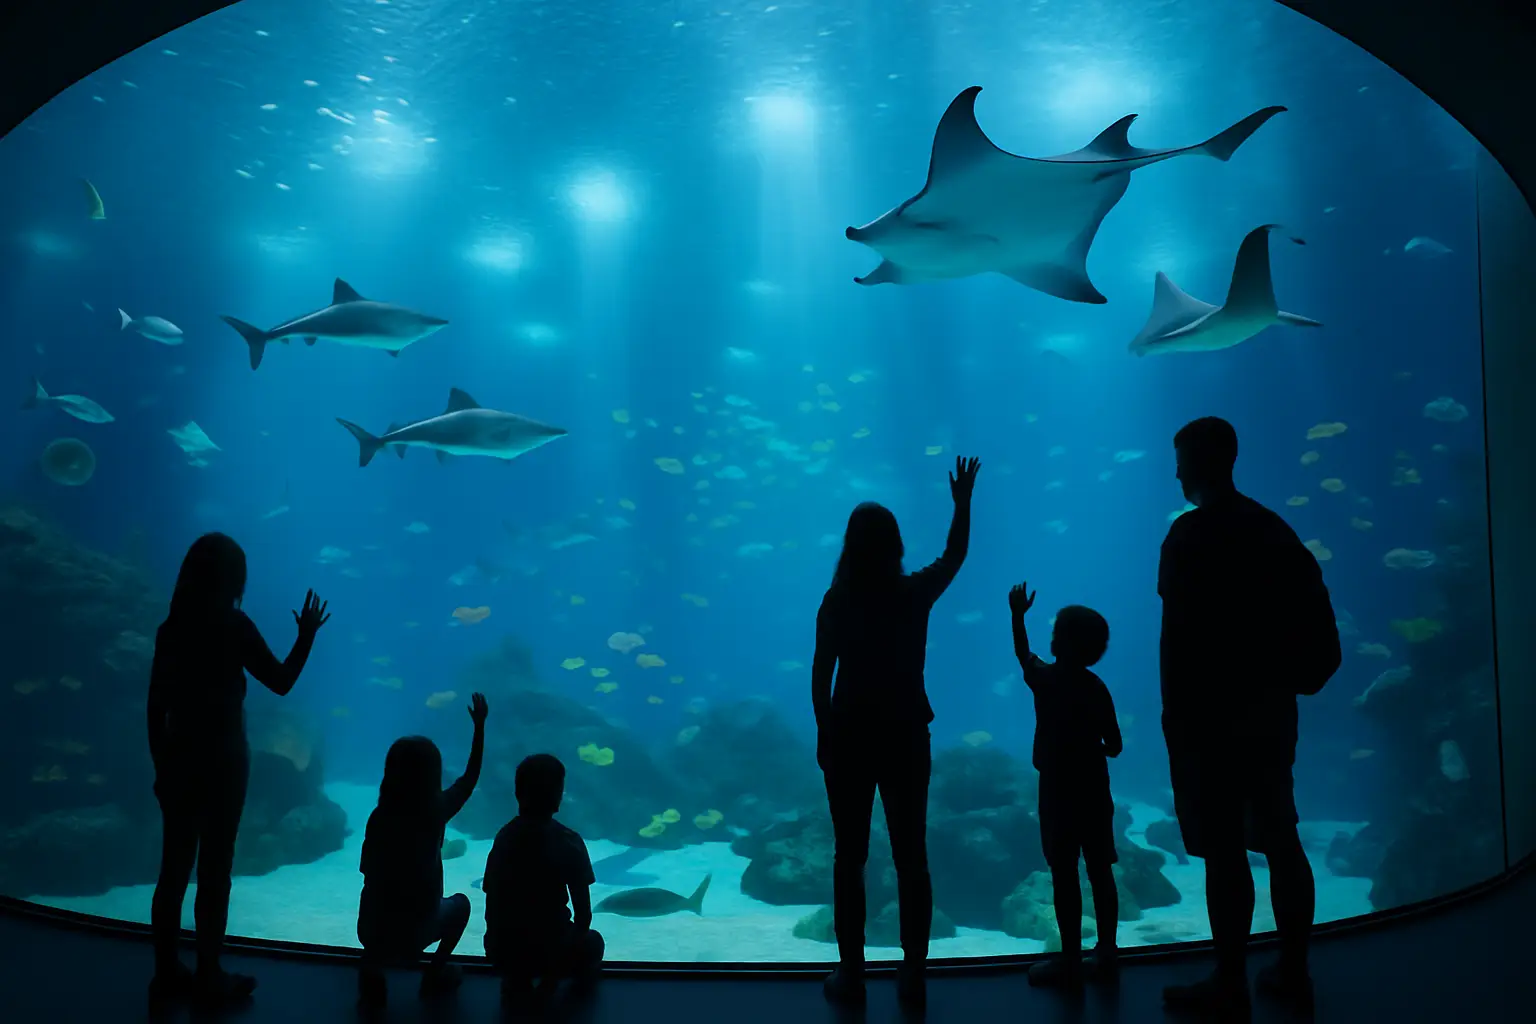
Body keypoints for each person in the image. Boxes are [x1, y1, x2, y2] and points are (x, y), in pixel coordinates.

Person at [1157, 417, 1341, 1014]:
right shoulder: (1272, 531)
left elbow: (1179, 639)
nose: (1177, 471)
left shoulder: (1186, 538)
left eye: (1183, 459)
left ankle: (1230, 977)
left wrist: (1176, 720)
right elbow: (1319, 636)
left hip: (1208, 720)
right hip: (1267, 713)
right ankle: (1294, 971)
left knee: (1225, 850)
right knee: (1281, 837)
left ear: (1204, 463)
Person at [812, 455, 981, 1009]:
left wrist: (824, 736)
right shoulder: (912, 594)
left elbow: (821, 675)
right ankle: (913, 970)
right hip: (907, 734)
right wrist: (962, 505)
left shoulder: (837, 601)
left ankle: (852, 971)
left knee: (849, 857)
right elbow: (954, 557)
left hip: (851, 737)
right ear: (895, 544)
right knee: (912, 854)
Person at [146, 532, 330, 1006]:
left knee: (172, 871)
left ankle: (166, 971)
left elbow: (154, 707)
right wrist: (306, 635)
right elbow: (282, 682)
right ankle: (209, 974)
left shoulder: (172, 629)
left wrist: (160, 766)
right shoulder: (234, 626)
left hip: (180, 759)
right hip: (224, 763)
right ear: (234, 580)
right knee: (214, 871)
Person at [1009, 582, 1122, 990]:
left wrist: (1017, 616)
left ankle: (1071, 960)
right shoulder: (1096, 687)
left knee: (1064, 874)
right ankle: (1107, 951)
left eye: (1057, 632)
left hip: (1057, 790)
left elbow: (1023, 655)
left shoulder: (1046, 679)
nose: (1052, 637)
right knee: (1100, 870)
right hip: (1093, 787)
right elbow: (1116, 744)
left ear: (1064, 643)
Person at [356, 693, 488, 1010]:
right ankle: (435, 972)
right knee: (462, 905)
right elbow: (469, 780)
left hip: (371, 930)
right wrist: (479, 727)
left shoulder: (379, 817)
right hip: (417, 932)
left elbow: (366, 870)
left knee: (379, 905)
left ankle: (372, 967)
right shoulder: (436, 811)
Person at [482, 753, 604, 1008]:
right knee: (594, 942)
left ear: (518, 793)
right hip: (553, 951)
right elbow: (584, 917)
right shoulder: (570, 841)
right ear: (558, 795)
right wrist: (552, 972)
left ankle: (516, 979)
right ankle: (562, 987)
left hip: (504, 951)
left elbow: (491, 902)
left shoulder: (504, 838)